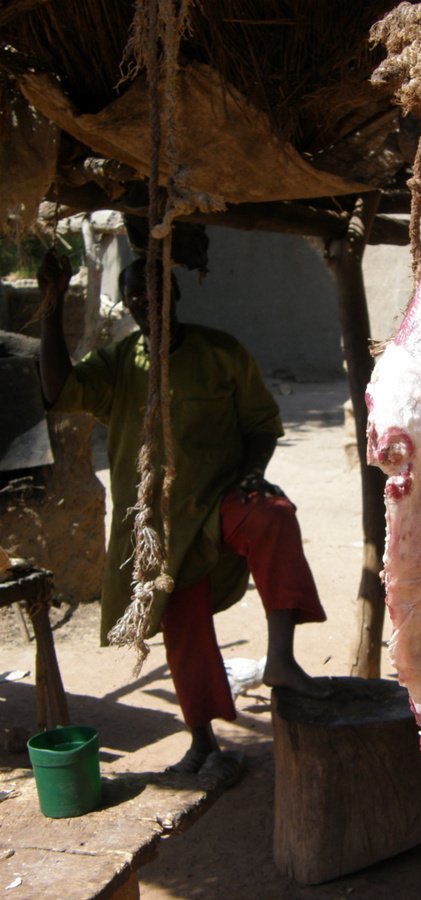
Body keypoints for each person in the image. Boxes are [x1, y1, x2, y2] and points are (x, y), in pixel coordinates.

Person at [38, 250, 329, 776]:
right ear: (126, 303)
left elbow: (261, 422)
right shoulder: (121, 363)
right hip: (159, 527)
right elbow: (58, 392)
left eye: (156, 289)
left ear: (175, 294)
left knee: (274, 515)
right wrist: (53, 308)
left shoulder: (222, 352)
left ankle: (280, 660)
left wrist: (252, 472)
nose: (145, 299)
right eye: (134, 293)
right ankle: (203, 744)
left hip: (219, 500)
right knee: (183, 624)